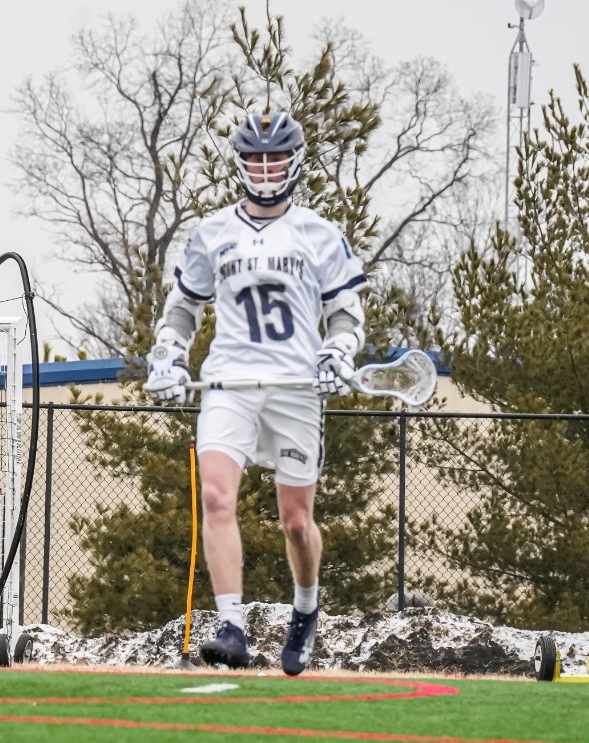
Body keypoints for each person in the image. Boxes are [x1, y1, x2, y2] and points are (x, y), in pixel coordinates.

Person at [143, 111, 367, 676]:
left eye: (275, 158)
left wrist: (338, 352)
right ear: (241, 164)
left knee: (296, 521)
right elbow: (183, 307)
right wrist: (168, 352)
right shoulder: (213, 232)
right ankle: (232, 627)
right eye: (256, 159)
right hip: (231, 382)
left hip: (295, 386)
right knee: (217, 496)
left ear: (293, 161)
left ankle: (306, 607)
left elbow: (345, 314)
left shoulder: (318, 233)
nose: (266, 169)